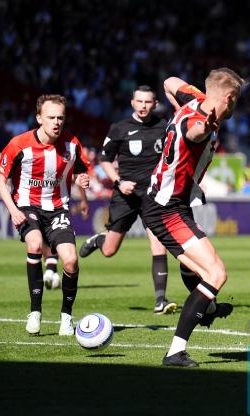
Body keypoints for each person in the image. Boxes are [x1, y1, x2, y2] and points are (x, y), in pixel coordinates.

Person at [141, 68, 244, 367]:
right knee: (216, 274)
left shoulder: (194, 97)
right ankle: (175, 351)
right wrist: (205, 127)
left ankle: (208, 310)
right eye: (236, 100)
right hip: (167, 208)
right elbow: (194, 131)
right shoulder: (201, 123)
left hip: (170, 203)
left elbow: (168, 82)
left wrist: (180, 107)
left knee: (193, 267)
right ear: (229, 97)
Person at [0, 94, 90, 336]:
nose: (56, 122)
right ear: (39, 118)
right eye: (51, 117)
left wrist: (83, 191)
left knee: (71, 260)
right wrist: (13, 210)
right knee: (35, 244)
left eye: (60, 118)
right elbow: (0, 179)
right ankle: (35, 312)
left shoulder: (72, 144)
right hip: (27, 205)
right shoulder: (19, 144)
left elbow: (80, 172)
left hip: (58, 209)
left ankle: (66, 317)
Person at [78, 86, 178, 315]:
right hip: (125, 195)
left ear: (155, 104)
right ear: (132, 102)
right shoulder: (119, 128)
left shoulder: (164, 127)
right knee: (109, 251)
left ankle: (160, 300)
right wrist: (119, 182)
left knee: (158, 244)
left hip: (153, 196)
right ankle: (99, 240)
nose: (143, 106)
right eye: (139, 101)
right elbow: (105, 160)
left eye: (148, 102)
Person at [43, 192, 88, 290]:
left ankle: (51, 269)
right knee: (49, 236)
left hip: (56, 203)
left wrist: (83, 200)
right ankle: (51, 270)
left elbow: (79, 181)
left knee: (51, 236)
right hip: (48, 202)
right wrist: (83, 200)